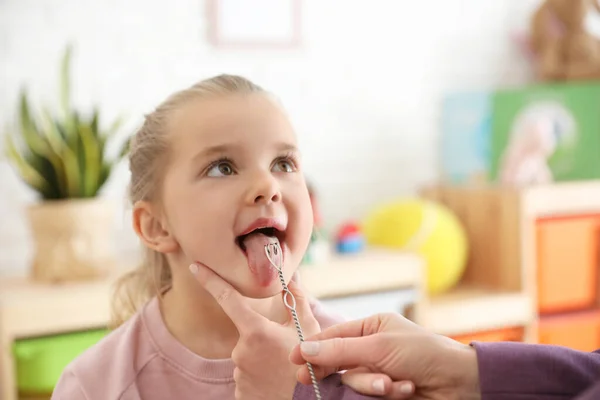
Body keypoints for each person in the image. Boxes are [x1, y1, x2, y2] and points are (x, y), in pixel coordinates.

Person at [51, 74, 360, 399]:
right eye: (222, 168)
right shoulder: (92, 387)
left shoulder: (357, 361)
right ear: (157, 226)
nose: (268, 186)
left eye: (282, 163)